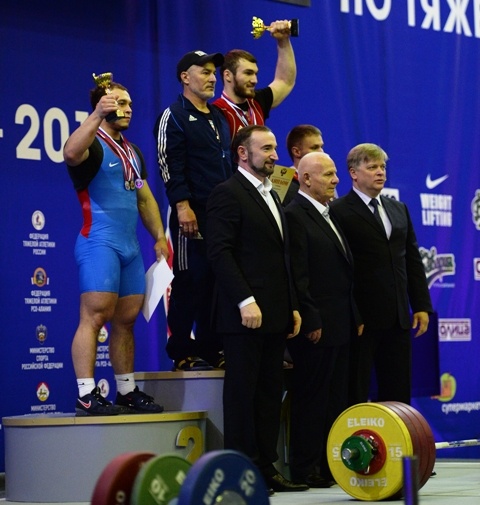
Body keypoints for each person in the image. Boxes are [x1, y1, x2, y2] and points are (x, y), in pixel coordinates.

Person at [206, 125, 308, 493]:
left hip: (276, 313)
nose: (274, 155)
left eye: (274, 148)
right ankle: (241, 471)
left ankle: (266, 468)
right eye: (266, 148)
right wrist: (244, 300)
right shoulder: (227, 193)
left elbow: (282, 258)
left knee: (268, 395)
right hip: (244, 316)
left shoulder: (272, 195)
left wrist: (292, 306)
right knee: (242, 395)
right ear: (242, 153)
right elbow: (220, 253)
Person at [64, 80, 168, 416]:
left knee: (126, 320)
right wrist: (97, 114)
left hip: (130, 247)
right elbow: (70, 153)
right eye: (119, 103)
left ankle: (126, 390)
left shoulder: (132, 152)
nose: (127, 109)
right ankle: (86, 393)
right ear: (103, 105)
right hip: (99, 242)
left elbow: (144, 197)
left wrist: (159, 236)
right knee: (95, 316)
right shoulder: (92, 144)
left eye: (130, 104)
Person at [329, 143, 433, 405]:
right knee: (355, 390)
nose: (380, 172)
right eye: (372, 167)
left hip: (398, 317)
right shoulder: (338, 211)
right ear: (353, 173)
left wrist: (421, 305)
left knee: (398, 392)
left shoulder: (398, 209)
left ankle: (396, 433)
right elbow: (338, 268)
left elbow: (412, 260)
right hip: (361, 319)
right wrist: (352, 313)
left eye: (383, 167)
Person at [284, 152, 363, 487]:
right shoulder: (294, 215)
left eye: (335, 173)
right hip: (316, 326)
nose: (336, 180)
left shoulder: (328, 213)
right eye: (329, 174)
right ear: (306, 179)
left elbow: (344, 272)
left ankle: (330, 464)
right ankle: (305, 467)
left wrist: (355, 314)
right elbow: (298, 274)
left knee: (335, 399)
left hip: (341, 322)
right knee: (311, 398)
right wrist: (311, 318)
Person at [154, 50, 233, 371]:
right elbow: (168, 164)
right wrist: (182, 206)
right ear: (185, 77)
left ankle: (211, 348)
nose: (212, 78)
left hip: (221, 215)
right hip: (192, 213)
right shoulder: (173, 115)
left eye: (214, 72)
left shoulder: (217, 117)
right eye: (205, 72)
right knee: (190, 279)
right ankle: (181, 351)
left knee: (216, 281)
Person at [213, 20, 296, 141]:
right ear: (228, 75)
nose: (254, 80)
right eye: (248, 73)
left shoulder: (257, 101)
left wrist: (283, 41)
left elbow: (285, 81)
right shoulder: (216, 113)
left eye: (255, 74)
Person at [283, 124, 325, 206]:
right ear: (296, 152)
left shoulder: (326, 179)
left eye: (321, 147)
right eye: (314, 147)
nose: (321, 152)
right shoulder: (284, 186)